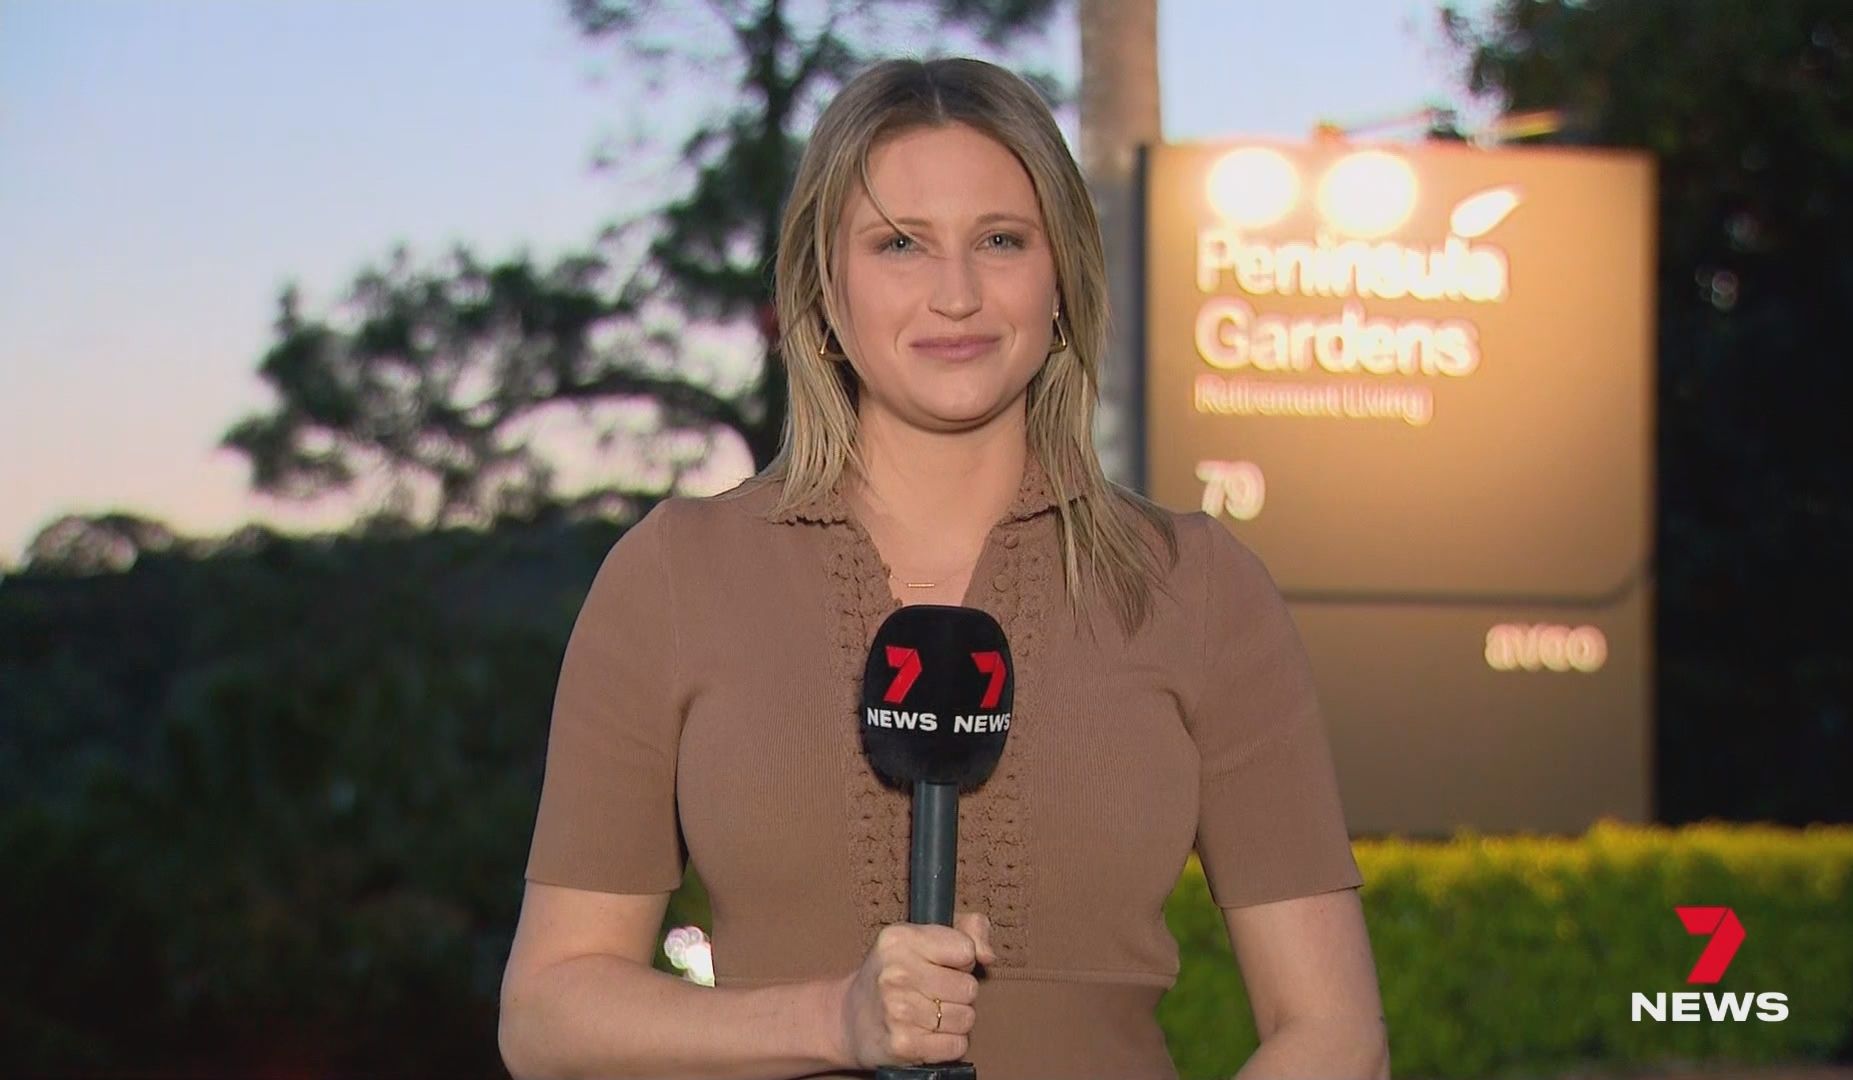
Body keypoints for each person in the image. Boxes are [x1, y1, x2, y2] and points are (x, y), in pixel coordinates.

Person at [498, 56, 1389, 1080]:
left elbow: (1336, 1034)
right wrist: (830, 1021)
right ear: (823, 289)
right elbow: (549, 1015)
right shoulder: (675, 576)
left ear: (1062, 278)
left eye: (1001, 241)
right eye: (900, 244)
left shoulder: (1198, 588)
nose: (956, 294)